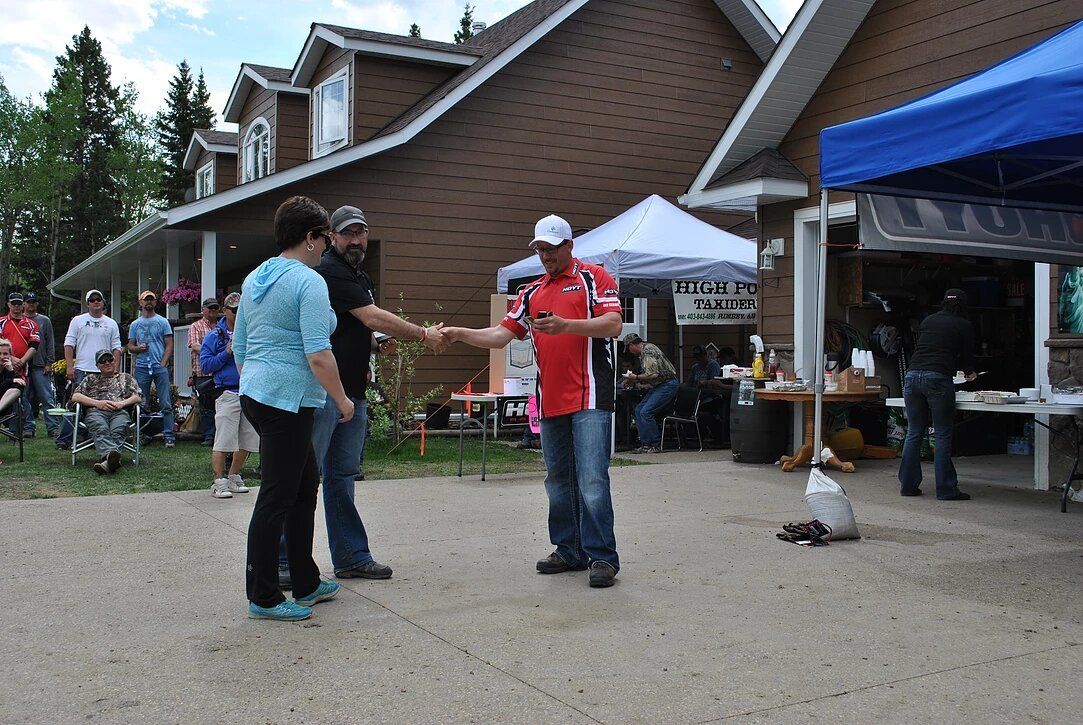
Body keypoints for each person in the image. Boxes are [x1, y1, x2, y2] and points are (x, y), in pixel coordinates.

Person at [444, 214, 624, 588]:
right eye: (540, 250)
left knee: (591, 479)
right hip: (550, 398)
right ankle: (568, 549)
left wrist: (567, 325)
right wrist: (459, 333)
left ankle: (603, 557)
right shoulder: (531, 291)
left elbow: (613, 324)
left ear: (569, 246)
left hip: (591, 395)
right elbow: (499, 336)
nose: (545, 257)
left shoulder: (594, 277)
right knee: (557, 480)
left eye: (551, 249)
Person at [278, 205, 447, 588]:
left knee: (342, 477)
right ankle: (285, 561)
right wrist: (423, 334)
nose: (355, 240)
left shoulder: (359, 275)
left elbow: (358, 326)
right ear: (331, 237)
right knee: (305, 478)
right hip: (322, 396)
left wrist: (375, 345)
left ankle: (351, 557)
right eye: (347, 234)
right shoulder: (328, 273)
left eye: (361, 233)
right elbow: (371, 316)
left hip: (353, 393)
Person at [234, 195, 354, 622]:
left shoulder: (256, 278)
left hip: (260, 393)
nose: (326, 246)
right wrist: (342, 399)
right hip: (285, 401)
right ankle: (263, 595)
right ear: (309, 237)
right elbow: (318, 353)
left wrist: (257, 381)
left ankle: (305, 580)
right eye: (323, 238)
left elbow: (240, 345)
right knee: (277, 495)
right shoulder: (308, 281)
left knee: (305, 483)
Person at [899, 288, 977, 501]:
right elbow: (967, 358)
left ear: (943, 303)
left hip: (912, 376)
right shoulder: (964, 324)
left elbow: (926, 348)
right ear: (963, 305)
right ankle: (946, 489)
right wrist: (970, 374)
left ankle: (908, 486)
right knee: (942, 434)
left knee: (914, 431)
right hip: (937, 378)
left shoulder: (928, 321)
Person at [200, 292, 257, 499]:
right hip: (227, 392)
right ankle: (219, 481)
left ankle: (234, 476)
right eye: (234, 310)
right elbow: (206, 365)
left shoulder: (250, 332)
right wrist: (227, 352)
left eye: (241, 309)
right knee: (223, 440)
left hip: (249, 391)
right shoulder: (215, 336)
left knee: (247, 440)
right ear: (225, 311)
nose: (238, 313)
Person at [70, 349, 142, 475]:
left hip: (119, 411)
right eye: (103, 361)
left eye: (110, 359)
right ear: (97, 365)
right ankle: (111, 459)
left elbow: (137, 397)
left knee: (118, 430)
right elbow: (75, 396)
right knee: (100, 428)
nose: (107, 363)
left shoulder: (126, 378)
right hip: (95, 412)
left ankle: (107, 462)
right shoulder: (90, 379)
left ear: (115, 361)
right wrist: (98, 403)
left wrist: (121, 403)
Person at [127, 291, 176, 448]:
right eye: (145, 300)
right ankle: (143, 434)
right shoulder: (135, 324)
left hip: (159, 366)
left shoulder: (162, 322)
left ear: (155, 303)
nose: (148, 302)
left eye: (151, 300)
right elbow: (130, 346)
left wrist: (163, 362)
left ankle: (169, 435)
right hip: (141, 367)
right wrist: (138, 348)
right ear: (140, 303)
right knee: (142, 403)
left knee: (166, 402)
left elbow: (169, 344)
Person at [622, 332, 678, 454]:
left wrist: (635, 377)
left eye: (628, 348)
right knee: (639, 410)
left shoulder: (648, 351)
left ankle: (654, 444)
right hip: (660, 385)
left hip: (667, 384)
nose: (629, 352)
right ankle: (645, 444)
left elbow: (653, 374)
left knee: (646, 412)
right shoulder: (646, 351)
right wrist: (644, 383)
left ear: (632, 345)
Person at [0, 292, 40, 436]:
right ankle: (14, 427)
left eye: (19, 304)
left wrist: (22, 360)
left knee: (22, 394)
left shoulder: (31, 324)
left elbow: (34, 345)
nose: (16, 307)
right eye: (14, 304)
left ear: (23, 305)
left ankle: (28, 426)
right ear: (9, 305)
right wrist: (10, 358)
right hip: (3, 364)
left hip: (23, 366)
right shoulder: (1, 322)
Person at [22, 292, 58, 438]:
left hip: (40, 364)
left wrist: (49, 362)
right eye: (28, 302)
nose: (31, 304)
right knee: (24, 397)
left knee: (47, 397)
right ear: (24, 304)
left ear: (37, 304)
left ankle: (53, 427)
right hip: (22, 365)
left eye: (34, 302)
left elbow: (50, 342)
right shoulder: (19, 320)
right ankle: (28, 426)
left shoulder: (44, 320)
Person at [188, 297, 220, 446]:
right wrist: (213, 352)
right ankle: (209, 435)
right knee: (205, 406)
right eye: (210, 308)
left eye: (215, 308)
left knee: (220, 404)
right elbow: (195, 345)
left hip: (219, 372)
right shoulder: (196, 326)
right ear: (203, 309)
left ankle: (219, 435)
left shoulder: (222, 326)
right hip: (202, 372)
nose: (213, 311)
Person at [686, 344, 727, 445]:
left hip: (712, 396)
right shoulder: (695, 367)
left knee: (704, 411)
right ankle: (695, 435)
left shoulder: (713, 365)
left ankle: (708, 435)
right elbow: (690, 383)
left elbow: (715, 382)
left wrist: (705, 383)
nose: (699, 359)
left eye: (700, 357)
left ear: (705, 355)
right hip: (698, 396)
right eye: (696, 357)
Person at [0, 339, 27, 419]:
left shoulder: (10, 369)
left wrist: (11, 371)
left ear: (10, 355)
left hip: (5, 406)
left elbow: (21, 384)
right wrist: (11, 380)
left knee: (18, 385)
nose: (2, 357)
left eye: (5, 354)